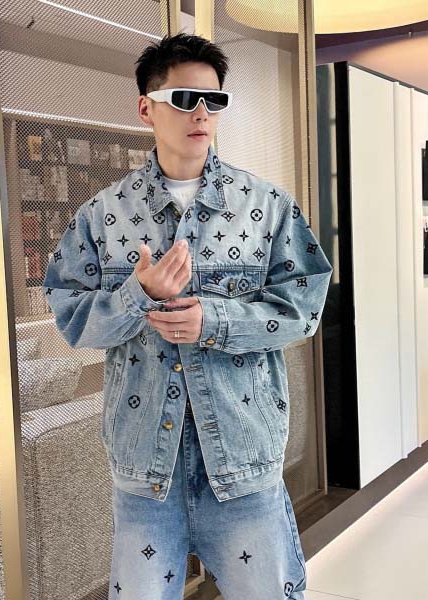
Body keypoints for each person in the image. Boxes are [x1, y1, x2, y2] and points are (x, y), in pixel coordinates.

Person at [43, 31, 333, 600]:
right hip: (146, 469)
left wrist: (216, 322)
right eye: (183, 99)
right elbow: (71, 317)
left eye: (214, 100)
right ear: (146, 108)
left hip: (244, 459)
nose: (201, 112)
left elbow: (303, 306)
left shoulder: (266, 206)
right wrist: (137, 295)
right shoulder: (102, 215)